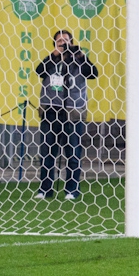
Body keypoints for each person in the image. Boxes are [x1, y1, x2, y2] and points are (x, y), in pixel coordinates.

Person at [35, 30, 98, 200]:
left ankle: (72, 190)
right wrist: (55, 54)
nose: (62, 43)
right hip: (50, 111)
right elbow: (39, 71)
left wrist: (78, 54)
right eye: (59, 41)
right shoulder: (51, 61)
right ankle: (45, 190)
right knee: (47, 153)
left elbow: (93, 73)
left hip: (72, 113)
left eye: (65, 41)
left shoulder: (78, 60)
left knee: (73, 153)